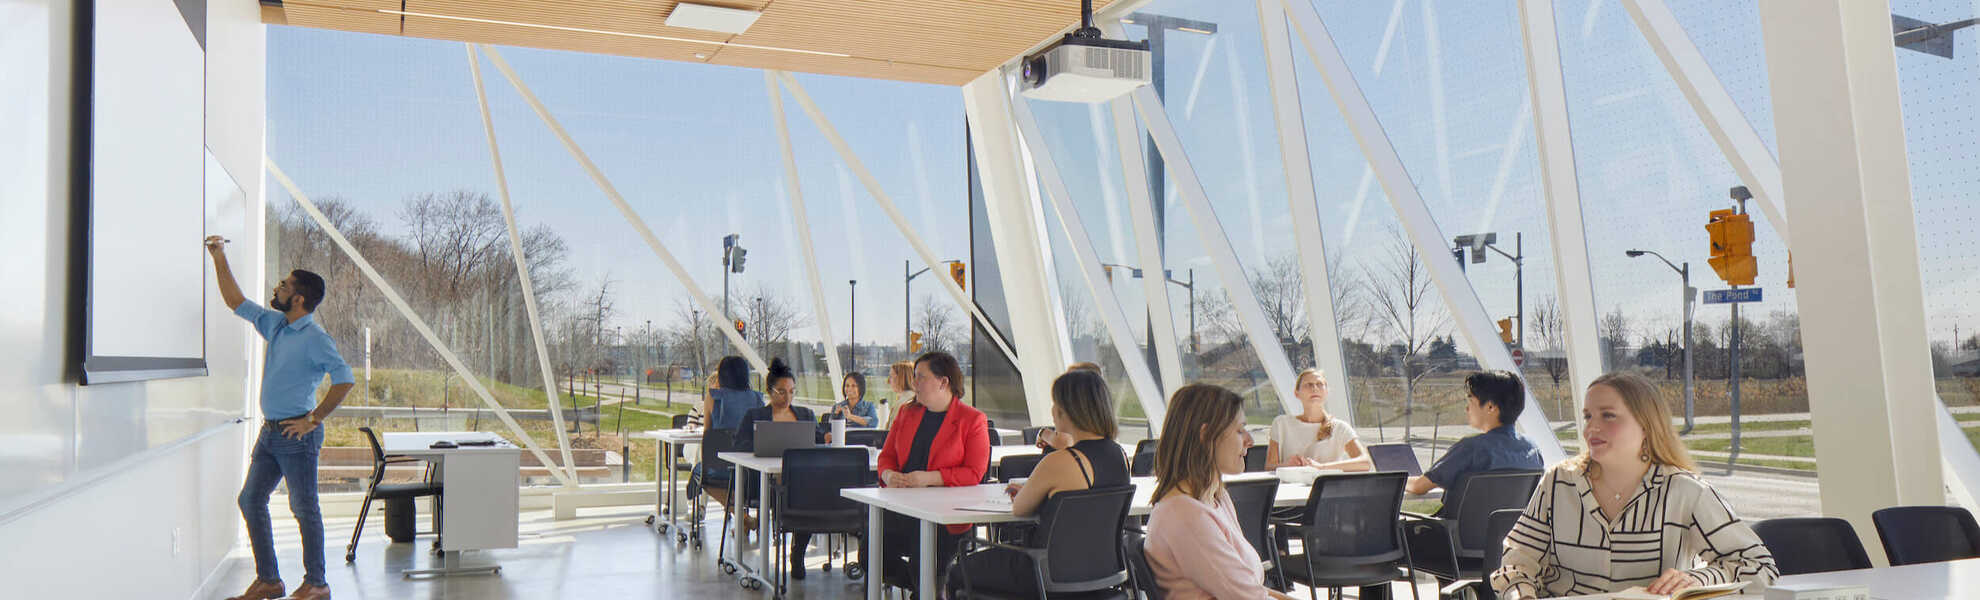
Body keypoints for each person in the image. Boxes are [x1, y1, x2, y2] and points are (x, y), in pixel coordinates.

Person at [1492, 372, 1778, 598]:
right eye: (1588, 416)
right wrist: (1523, 597)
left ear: (1645, 425)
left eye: (1608, 415)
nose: (1592, 427)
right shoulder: (1557, 483)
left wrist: (1695, 579)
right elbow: (1517, 561)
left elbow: (1760, 568)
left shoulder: (1684, 491)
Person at [207, 236, 353, 600]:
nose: (279, 287)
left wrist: (314, 419)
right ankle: (270, 581)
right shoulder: (277, 324)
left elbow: (344, 379)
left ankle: (317, 584)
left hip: (296, 436)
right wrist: (219, 255)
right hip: (270, 434)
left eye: (285, 285)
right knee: (250, 500)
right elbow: (235, 301)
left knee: (304, 508)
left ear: (299, 298)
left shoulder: (315, 337)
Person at [947, 369, 1129, 597]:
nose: (1052, 411)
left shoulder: (1060, 461)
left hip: (1042, 571)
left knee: (957, 570)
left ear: (1068, 410)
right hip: (1102, 573)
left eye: (1055, 403)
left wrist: (1028, 492)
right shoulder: (1120, 456)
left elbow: (1020, 508)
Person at [1144, 384, 1296, 600]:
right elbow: (1248, 597)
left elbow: (1252, 591)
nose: (1250, 441)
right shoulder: (1186, 515)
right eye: (1239, 430)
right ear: (1206, 435)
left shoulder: (1215, 497)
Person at [875, 351, 990, 592]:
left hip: (944, 518)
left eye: (920, 377)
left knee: (925, 566)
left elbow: (974, 473)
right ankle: (932, 590)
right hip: (903, 509)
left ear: (943, 382)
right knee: (870, 555)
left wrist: (928, 479)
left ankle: (929, 589)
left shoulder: (972, 420)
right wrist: (888, 475)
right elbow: (886, 457)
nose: (914, 383)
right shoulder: (907, 413)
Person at [733, 358, 827, 579]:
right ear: (769, 390)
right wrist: (763, 444)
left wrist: (826, 437)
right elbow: (739, 445)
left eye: (792, 392)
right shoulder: (754, 416)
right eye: (782, 392)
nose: (788, 397)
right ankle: (793, 551)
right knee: (803, 494)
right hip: (765, 480)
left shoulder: (805, 415)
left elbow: (818, 441)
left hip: (802, 479)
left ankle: (798, 551)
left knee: (809, 494)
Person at [1406, 370, 1543, 497]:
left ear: (1490, 407)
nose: (1467, 408)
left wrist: (1396, 480)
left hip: (1459, 523)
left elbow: (1419, 486)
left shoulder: (1471, 449)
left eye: (1471, 402)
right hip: (1510, 524)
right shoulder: (1532, 449)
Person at [692, 356, 764, 515]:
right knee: (737, 480)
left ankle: (741, 516)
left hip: (720, 466)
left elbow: (708, 435)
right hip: (753, 469)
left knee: (699, 474)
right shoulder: (758, 398)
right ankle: (743, 518)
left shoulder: (713, 397)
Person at [1266, 369, 1371, 471]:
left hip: (1326, 487)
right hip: (1289, 487)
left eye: (1319, 384)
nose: (1314, 388)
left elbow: (1365, 463)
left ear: (1326, 392)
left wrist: (1322, 468)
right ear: (1297, 393)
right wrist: (1287, 465)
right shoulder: (1281, 424)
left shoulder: (1340, 428)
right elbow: (1269, 467)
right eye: (1308, 385)